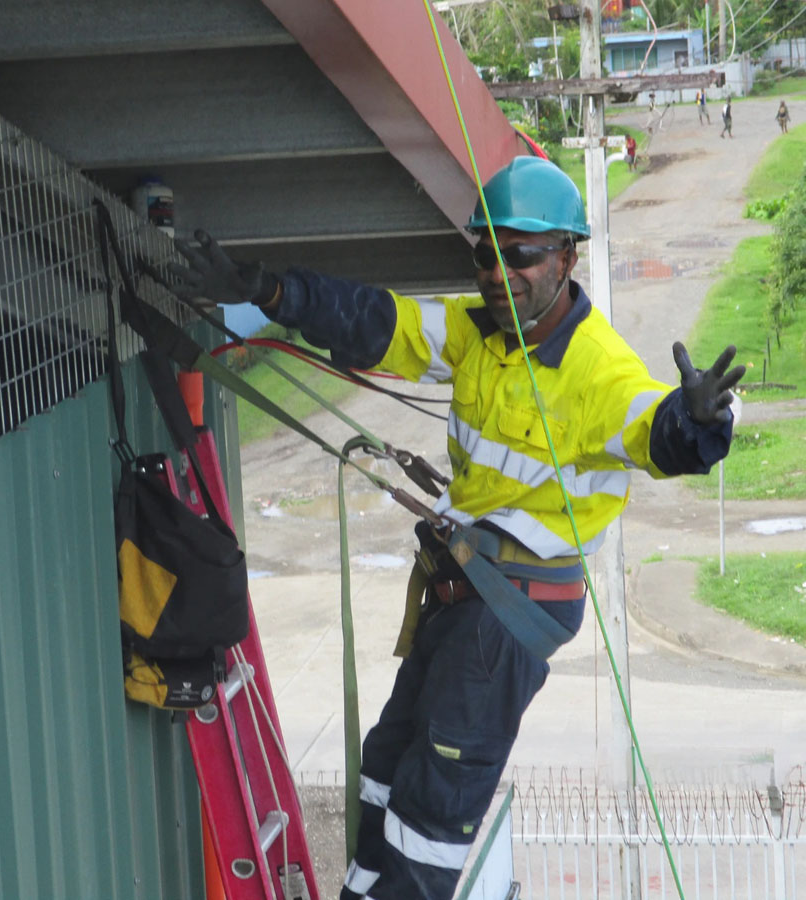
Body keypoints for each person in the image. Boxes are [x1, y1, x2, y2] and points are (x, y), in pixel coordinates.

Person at [169, 156, 744, 900]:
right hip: (464, 594)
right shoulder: (476, 333)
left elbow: (651, 427)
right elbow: (380, 322)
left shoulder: (597, 370)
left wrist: (695, 422)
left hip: (509, 615)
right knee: (384, 769)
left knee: (430, 816)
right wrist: (268, 291)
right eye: (486, 253)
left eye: (524, 256)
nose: (502, 273)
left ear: (567, 257)